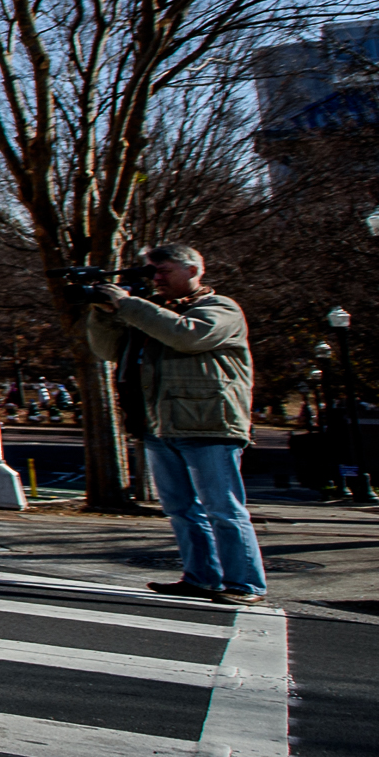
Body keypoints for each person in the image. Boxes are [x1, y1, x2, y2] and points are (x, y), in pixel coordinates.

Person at [80, 244, 267, 603]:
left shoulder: (221, 308)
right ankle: (201, 578)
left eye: (163, 270)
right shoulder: (150, 313)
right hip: (158, 424)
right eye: (151, 271)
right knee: (181, 510)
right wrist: (103, 312)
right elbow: (108, 351)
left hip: (209, 424)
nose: (156, 278)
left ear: (194, 270)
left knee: (223, 509)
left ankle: (245, 584)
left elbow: (187, 335)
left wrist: (127, 304)